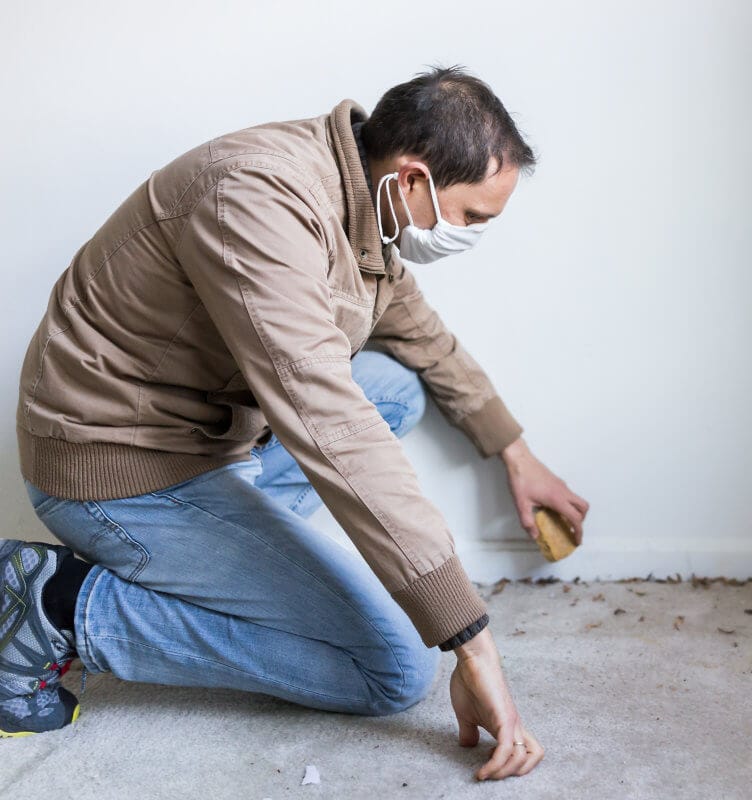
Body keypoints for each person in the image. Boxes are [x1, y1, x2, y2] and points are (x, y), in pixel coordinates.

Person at [1, 65, 588, 783]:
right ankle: (56, 607)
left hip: (204, 437)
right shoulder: (254, 200)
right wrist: (470, 640)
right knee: (393, 670)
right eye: (471, 217)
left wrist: (516, 453)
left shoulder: (359, 206)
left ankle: (221, 561)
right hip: (119, 467)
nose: (469, 235)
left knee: (393, 386)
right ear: (412, 180)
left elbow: (421, 339)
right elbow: (327, 420)